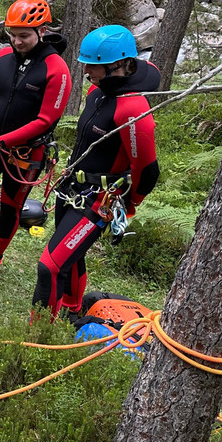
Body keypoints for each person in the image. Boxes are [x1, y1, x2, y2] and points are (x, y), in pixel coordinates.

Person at [32, 25, 159, 320]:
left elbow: (147, 169)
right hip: (73, 189)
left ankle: (38, 336)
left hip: (98, 201)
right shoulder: (97, 91)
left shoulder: (133, 110)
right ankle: (72, 311)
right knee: (70, 258)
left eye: (94, 66)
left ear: (118, 65)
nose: (87, 71)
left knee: (49, 266)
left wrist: (130, 205)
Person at [0, 0, 72, 290]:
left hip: (25, 153)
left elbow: (45, 120)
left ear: (42, 31)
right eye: (12, 34)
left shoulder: (56, 69)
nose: (16, 41)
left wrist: (1, 141)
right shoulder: (0, 59)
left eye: (24, 36)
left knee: (10, 207)